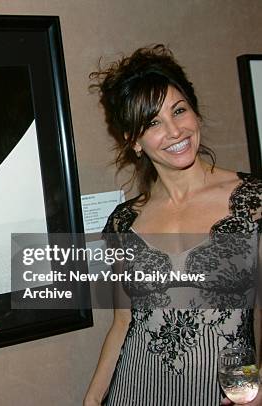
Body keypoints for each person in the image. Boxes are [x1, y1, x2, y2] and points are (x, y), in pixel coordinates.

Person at [83, 45, 262, 405]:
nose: (175, 130)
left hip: (224, 394)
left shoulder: (253, 200)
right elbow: (122, 324)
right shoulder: (124, 221)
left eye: (179, 110)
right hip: (136, 391)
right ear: (133, 141)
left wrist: (255, 387)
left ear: (195, 112)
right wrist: (91, 400)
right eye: (153, 123)